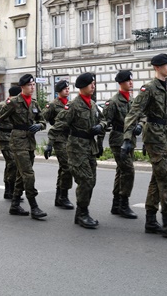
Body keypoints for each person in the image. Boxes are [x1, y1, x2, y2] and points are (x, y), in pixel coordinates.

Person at [122, 53, 167, 239]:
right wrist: (127, 139)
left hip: (165, 136)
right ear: (157, 67)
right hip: (153, 136)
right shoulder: (149, 88)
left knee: (157, 178)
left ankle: (151, 220)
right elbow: (134, 113)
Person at [0, 74, 47, 220]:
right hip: (17, 141)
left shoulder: (34, 103)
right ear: (22, 86)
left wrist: (39, 125)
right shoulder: (14, 102)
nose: (32, 87)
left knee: (21, 174)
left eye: (33, 85)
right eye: (29, 85)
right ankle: (34, 206)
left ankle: (15, 204)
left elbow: (43, 121)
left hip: (30, 141)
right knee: (28, 173)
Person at [50, 73, 107, 228]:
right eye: (90, 84)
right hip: (76, 149)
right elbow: (59, 124)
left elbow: (103, 119)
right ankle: (82, 213)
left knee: (91, 181)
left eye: (94, 83)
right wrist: (50, 143)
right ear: (82, 87)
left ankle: (81, 213)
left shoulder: (93, 104)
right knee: (85, 180)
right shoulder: (73, 105)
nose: (93, 86)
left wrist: (100, 126)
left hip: (90, 147)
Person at [101, 70, 141, 219]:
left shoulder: (132, 100)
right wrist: (98, 143)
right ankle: (124, 204)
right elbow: (104, 122)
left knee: (121, 171)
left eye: (131, 80)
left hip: (131, 140)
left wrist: (140, 125)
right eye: (128, 80)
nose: (131, 83)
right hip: (118, 140)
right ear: (121, 83)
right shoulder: (113, 102)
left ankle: (116, 204)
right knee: (128, 171)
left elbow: (142, 115)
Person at [42, 79, 74, 209]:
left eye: (68, 88)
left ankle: (59, 196)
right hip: (59, 138)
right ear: (59, 91)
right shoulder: (53, 105)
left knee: (64, 168)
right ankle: (63, 197)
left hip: (70, 138)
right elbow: (43, 117)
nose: (67, 90)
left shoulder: (70, 103)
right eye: (65, 89)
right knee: (67, 166)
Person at [0, 85, 22, 201]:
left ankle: (10, 189)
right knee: (12, 162)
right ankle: (9, 189)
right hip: (4, 137)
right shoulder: (2, 105)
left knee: (13, 163)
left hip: (16, 137)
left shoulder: (20, 104)